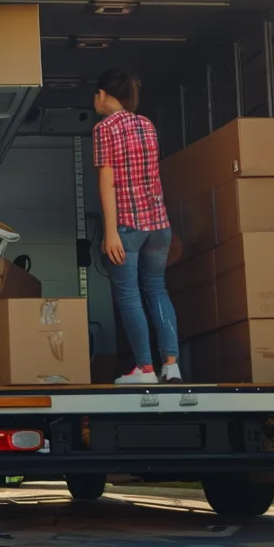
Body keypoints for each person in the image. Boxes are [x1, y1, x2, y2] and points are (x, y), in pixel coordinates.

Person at [92, 69, 181, 385]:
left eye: (96, 94)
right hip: (159, 224)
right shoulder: (147, 125)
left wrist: (110, 231)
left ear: (103, 95)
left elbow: (107, 181)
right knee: (157, 289)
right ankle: (171, 366)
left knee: (128, 295)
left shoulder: (105, 129)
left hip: (128, 226)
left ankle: (144, 369)